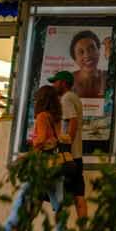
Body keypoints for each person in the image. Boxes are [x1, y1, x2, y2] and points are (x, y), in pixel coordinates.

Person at [3, 84, 66, 231]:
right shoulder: (56, 118)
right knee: (58, 203)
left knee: (22, 196)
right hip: (55, 163)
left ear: (42, 100)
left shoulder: (42, 116)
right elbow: (55, 140)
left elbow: (41, 141)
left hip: (41, 165)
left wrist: (27, 155)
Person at [50, 71, 88, 222]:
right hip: (76, 156)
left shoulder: (66, 99)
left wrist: (66, 147)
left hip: (68, 157)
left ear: (64, 83)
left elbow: (72, 121)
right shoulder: (74, 98)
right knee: (79, 194)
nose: (54, 85)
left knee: (60, 195)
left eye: (56, 82)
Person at [69, 31, 104, 99]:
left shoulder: (108, 77)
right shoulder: (67, 81)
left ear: (99, 51)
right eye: (81, 52)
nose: (87, 55)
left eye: (91, 49)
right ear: (75, 59)